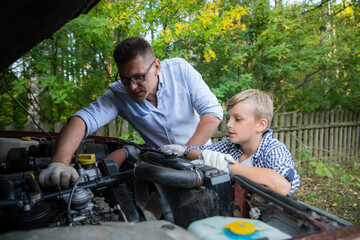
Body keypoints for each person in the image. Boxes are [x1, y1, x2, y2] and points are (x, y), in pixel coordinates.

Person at [39, 36, 223, 189]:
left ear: (157, 67)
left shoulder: (180, 71)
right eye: (126, 79)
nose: (132, 87)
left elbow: (213, 112)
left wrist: (186, 152)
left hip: (204, 160)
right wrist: (59, 163)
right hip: (162, 170)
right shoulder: (118, 94)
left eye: (139, 77)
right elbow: (82, 119)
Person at [184, 89, 300, 195]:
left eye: (238, 119)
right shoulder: (231, 145)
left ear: (261, 125)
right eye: (229, 118)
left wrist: (227, 167)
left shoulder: (273, 150)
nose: (228, 124)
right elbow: (189, 151)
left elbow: (283, 186)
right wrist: (205, 156)